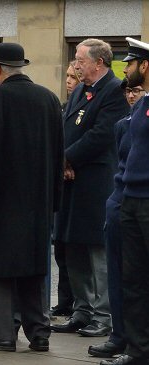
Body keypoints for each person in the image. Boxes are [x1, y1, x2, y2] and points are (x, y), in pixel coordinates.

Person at [0, 43, 64, 352]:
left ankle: (3, 333)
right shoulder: (48, 99)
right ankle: (39, 333)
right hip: (39, 200)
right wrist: (54, 200)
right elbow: (59, 154)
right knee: (33, 268)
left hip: (0, 198)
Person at [52, 38, 129, 338]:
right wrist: (62, 159)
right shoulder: (81, 89)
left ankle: (103, 315)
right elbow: (66, 127)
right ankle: (81, 311)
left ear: (99, 62)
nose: (75, 63)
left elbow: (102, 135)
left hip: (95, 183)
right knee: (73, 248)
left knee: (98, 252)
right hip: (70, 181)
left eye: (80, 59)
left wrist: (68, 158)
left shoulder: (113, 90)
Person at [100, 36, 149, 365]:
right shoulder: (143, 106)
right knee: (134, 282)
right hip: (131, 200)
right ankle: (138, 351)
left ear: (144, 66)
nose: (125, 69)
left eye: (129, 64)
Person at [89, 78, 145, 361]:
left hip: (138, 197)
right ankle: (122, 335)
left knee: (135, 278)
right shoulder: (132, 115)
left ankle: (134, 342)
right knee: (121, 276)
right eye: (129, 91)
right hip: (122, 195)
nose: (131, 95)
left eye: (136, 90)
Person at [52, 60, 81, 317]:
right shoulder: (64, 107)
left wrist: (67, 160)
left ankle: (77, 304)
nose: (69, 81)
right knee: (61, 248)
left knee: (77, 249)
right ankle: (64, 302)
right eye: (68, 76)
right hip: (62, 182)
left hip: (79, 182)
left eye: (74, 76)